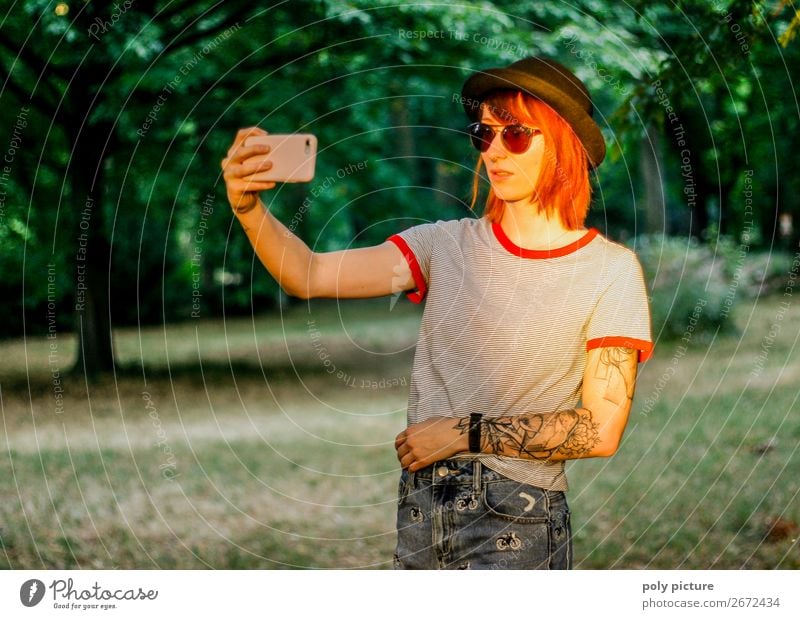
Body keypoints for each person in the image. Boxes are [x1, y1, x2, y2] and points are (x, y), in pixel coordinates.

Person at [221, 56, 653, 570]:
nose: (493, 151)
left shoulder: (610, 269)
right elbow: (308, 274)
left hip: (520, 517)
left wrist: (462, 432)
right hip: (423, 510)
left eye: (514, 134)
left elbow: (599, 430)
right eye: (483, 134)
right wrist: (248, 211)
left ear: (561, 144)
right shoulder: (444, 244)